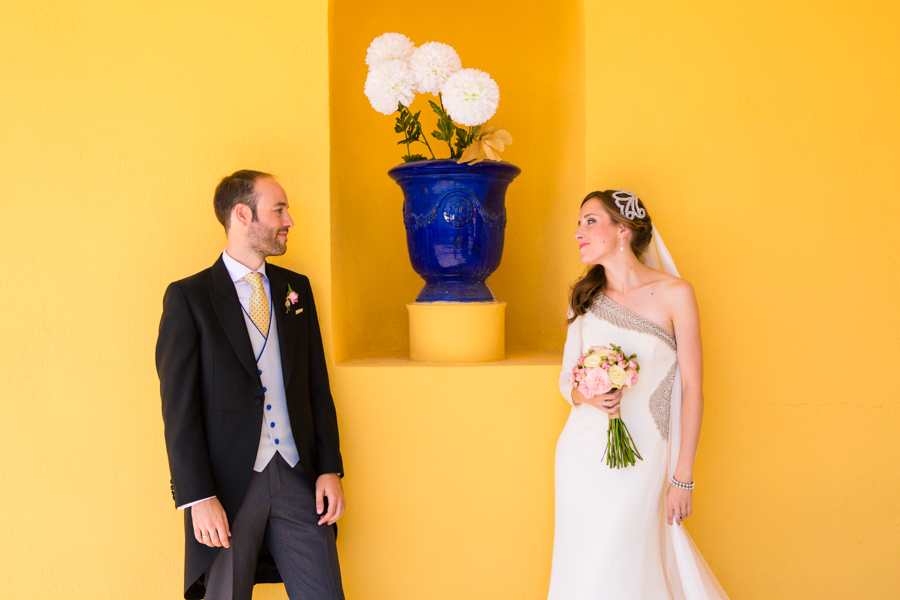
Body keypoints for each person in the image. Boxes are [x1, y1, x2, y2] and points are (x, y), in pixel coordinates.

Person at [156, 170, 345, 600]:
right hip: (227, 490)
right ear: (243, 215)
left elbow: (317, 387)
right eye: (279, 209)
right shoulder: (190, 298)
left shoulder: (295, 289)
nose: (290, 220)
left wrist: (330, 468)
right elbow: (178, 409)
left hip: (296, 476)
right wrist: (197, 496)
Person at [548, 190, 728, 599]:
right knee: (586, 564)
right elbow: (565, 380)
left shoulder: (676, 293)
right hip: (581, 451)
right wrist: (588, 395)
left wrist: (684, 476)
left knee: (623, 556)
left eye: (590, 221)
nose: (579, 232)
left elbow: (692, 388)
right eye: (578, 224)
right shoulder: (586, 299)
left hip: (646, 452)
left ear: (623, 230)